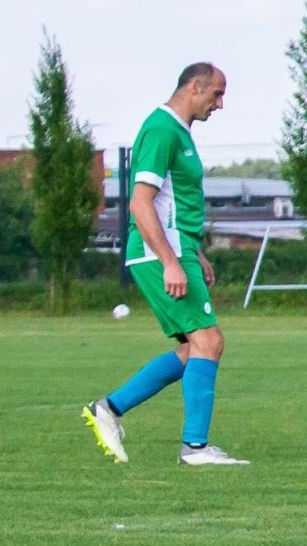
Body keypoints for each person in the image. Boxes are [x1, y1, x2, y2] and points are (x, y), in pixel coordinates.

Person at [83, 63, 247, 466]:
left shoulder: (178, 132)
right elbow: (141, 203)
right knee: (209, 342)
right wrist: (171, 262)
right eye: (216, 94)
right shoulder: (161, 129)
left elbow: (171, 205)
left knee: (197, 349)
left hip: (176, 249)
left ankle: (109, 408)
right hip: (161, 254)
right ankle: (194, 448)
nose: (220, 104)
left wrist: (194, 253)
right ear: (195, 87)